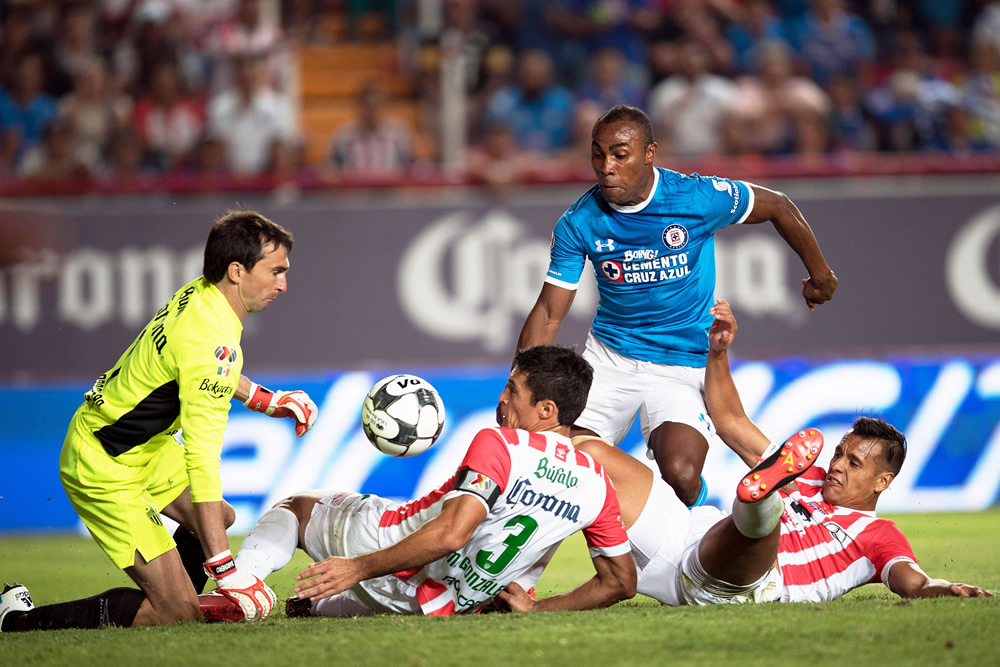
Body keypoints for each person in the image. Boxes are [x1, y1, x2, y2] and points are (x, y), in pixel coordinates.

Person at [499, 301, 993, 610]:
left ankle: (759, 501)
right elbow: (731, 420)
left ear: (883, 483)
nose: (838, 465)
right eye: (840, 453)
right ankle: (498, 565)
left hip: (747, 582)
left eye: (854, 463)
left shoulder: (880, 535)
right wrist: (717, 352)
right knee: (587, 452)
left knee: (760, 520)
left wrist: (941, 589)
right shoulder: (811, 475)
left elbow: (910, 580)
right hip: (682, 538)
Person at [0, 210, 320, 633]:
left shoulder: (202, 295)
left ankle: (182, 598)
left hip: (142, 448)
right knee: (175, 611)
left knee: (216, 520)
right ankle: (16, 620)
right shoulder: (214, 340)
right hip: (103, 464)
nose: (283, 283)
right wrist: (226, 570)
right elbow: (203, 462)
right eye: (276, 271)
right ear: (237, 271)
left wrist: (264, 398)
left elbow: (203, 368)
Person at [515, 104, 838, 508]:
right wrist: (519, 385)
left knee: (682, 475)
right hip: (609, 361)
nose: (606, 167)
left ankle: (708, 524)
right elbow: (549, 313)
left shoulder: (695, 198)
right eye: (598, 154)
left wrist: (820, 274)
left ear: (649, 153)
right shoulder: (579, 222)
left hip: (683, 365)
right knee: (563, 470)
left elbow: (777, 204)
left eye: (620, 154)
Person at [203, 345, 635, 621]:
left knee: (297, 506)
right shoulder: (596, 482)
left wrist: (358, 567)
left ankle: (240, 591)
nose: (501, 398)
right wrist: (537, 608)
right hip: (452, 600)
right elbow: (620, 582)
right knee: (414, 584)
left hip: (386, 550)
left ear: (545, 410)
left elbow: (450, 533)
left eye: (512, 389)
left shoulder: (501, 445)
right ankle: (312, 608)